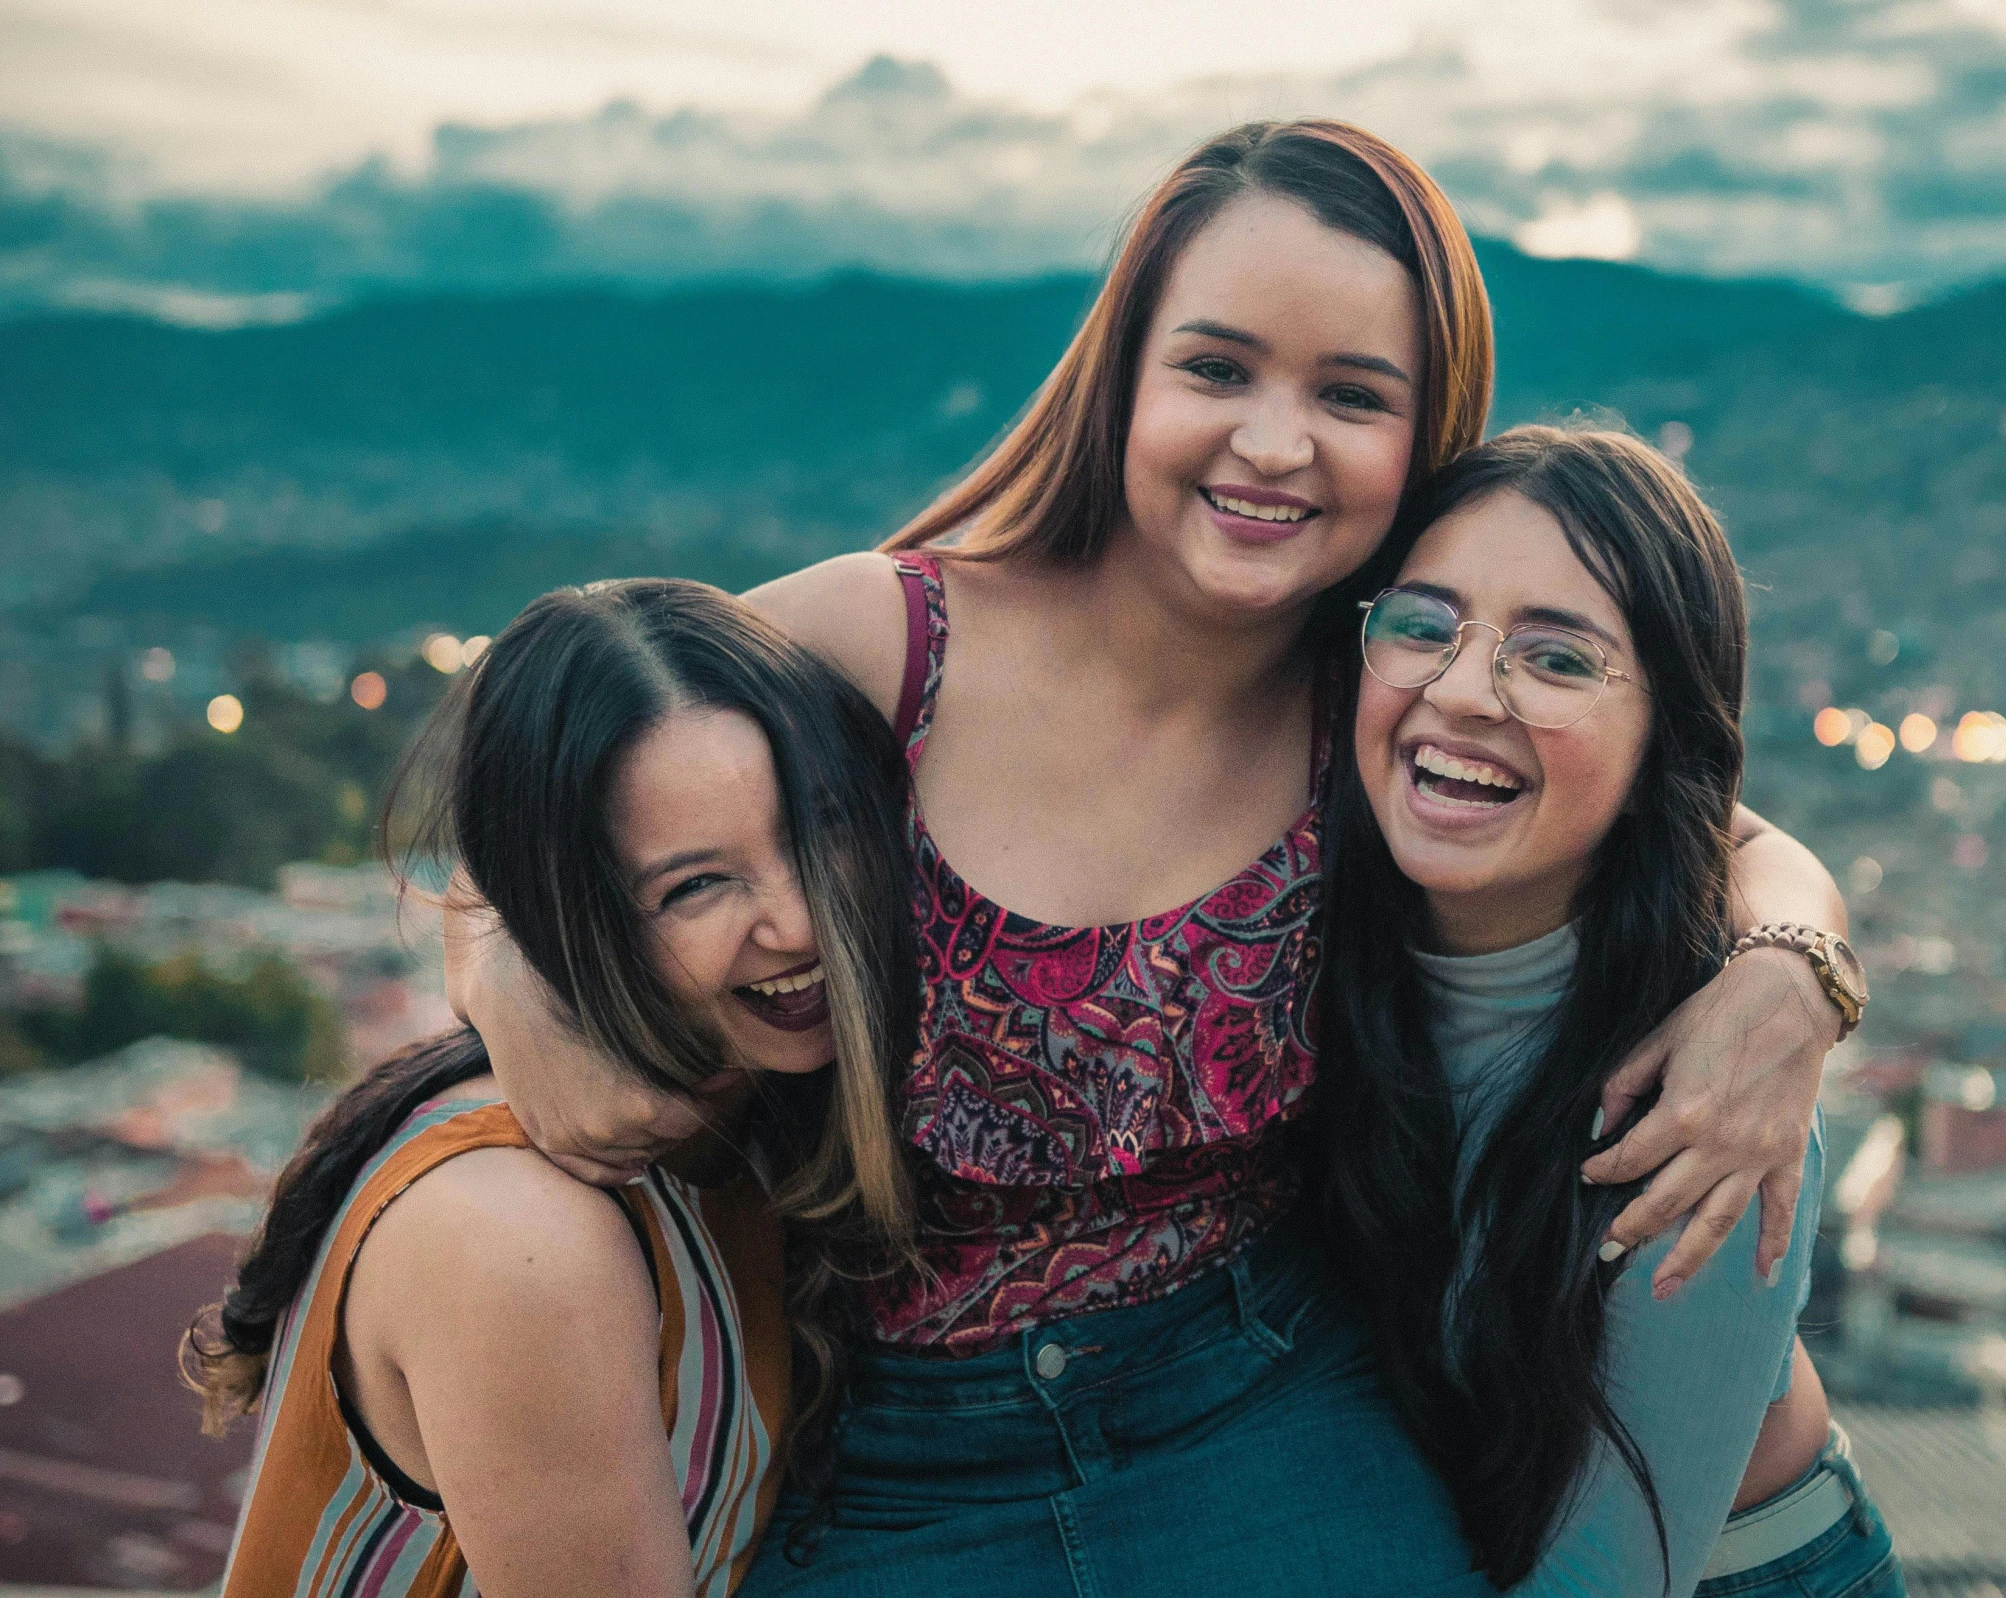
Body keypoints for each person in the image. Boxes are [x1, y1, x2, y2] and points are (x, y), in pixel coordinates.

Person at [451, 122, 1852, 1597]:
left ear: (1423, 442)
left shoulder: (1380, 696)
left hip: (1266, 1404)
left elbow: (1704, 823)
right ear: (1122, 376)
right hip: (899, 1460)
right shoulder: (887, 645)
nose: (1272, 441)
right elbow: (532, 810)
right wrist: (517, 989)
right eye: (1217, 369)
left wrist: (1791, 977)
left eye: (1352, 395)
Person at [189, 579, 918, 1598]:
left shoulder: (736, 1120)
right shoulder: (525, 1236)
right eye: (696, 884)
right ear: (569, 916)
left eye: (821, 827)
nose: (797, 921)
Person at [1320, 424, 1901, 1598]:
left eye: (1558, 660)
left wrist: (1794, 966)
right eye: (1425, 624)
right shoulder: (1299, 921)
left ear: (1663, 741)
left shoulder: (1709, 1078)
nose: (1462, 689)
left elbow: (1599, 1577)